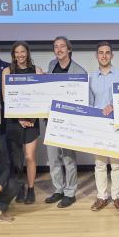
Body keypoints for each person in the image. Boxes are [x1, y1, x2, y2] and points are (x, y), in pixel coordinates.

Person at [44, 36, 87, 208]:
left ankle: (70, 192)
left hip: (69, 122)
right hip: (52, 120)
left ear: (69, 49)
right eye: (56, 47)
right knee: (53, 158)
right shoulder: (50, 66)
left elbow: (82, 100)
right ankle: (58, 190)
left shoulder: (80, 72)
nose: (59, 49)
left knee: (68, 159)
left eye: (62, 46)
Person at [88, 41, 119, 212]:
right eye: (101, 52)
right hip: (98, 126)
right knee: (99, 163)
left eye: (107, 52)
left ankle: (117, 197)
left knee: (116, 164)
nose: (104, 55)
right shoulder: (90, 78)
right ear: (96, 55)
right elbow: (89, 104)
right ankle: (101, 197)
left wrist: (114, 105)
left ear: (112, 55)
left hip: (115, 125)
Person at [1, 41, 43, 205]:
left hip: (32, 120)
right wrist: (19, 118)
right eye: (17, 52)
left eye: (23, 52)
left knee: (29, 156)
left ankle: (31, 188)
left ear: (27, 53)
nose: (20, 55)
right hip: (14, 120)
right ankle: (19, 188)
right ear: (13, 54)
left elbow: (41, 96)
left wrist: (32, 118)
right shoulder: (7, 71)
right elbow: (6, 98)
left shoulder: (37, 71)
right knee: (16, 158)